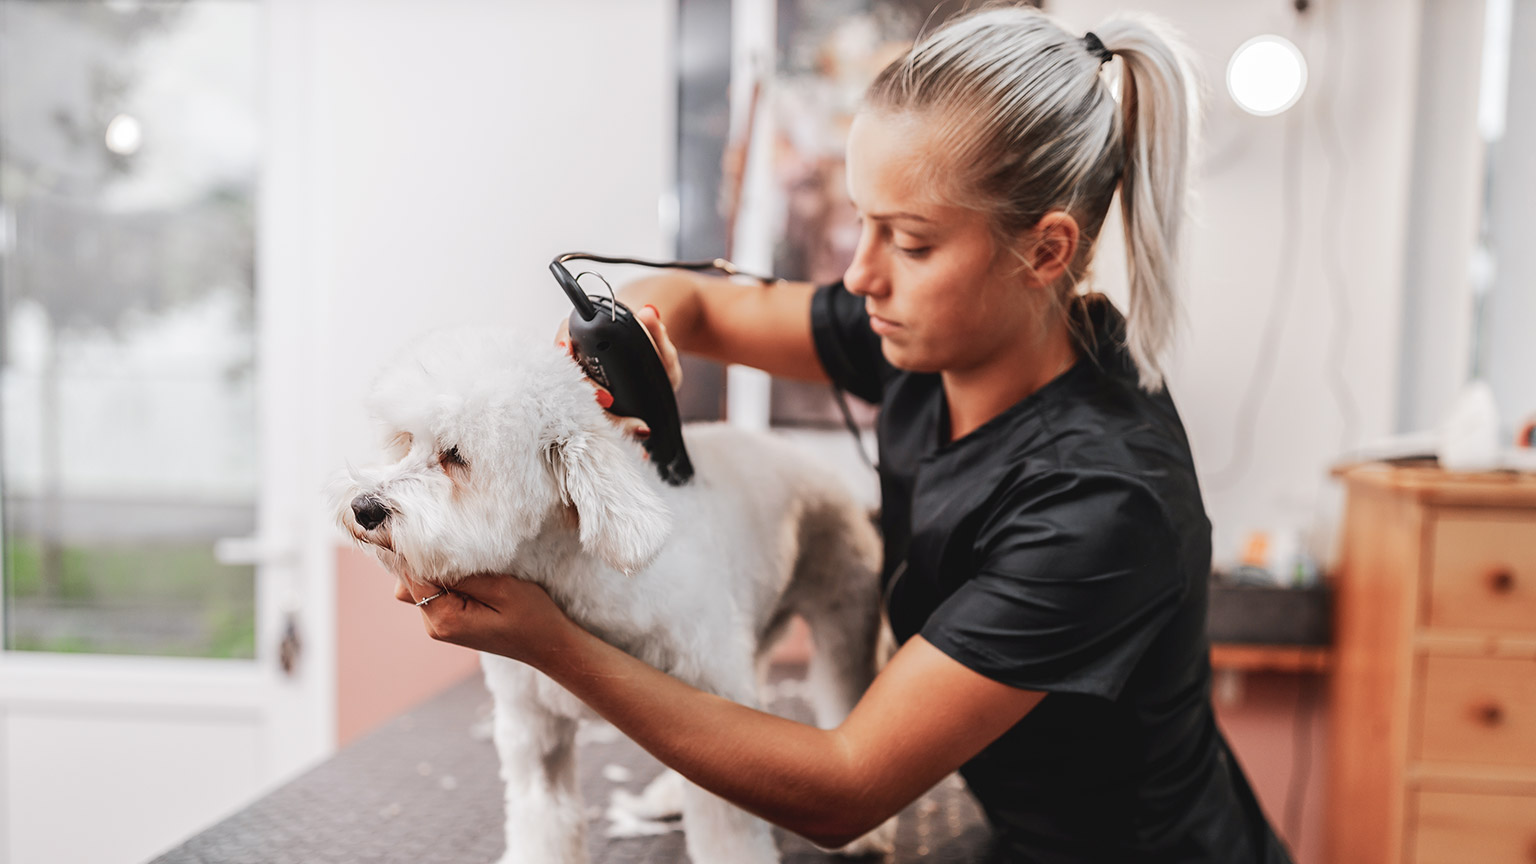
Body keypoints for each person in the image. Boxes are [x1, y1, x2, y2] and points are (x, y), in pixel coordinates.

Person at [396, 6, 1294, 862]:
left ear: (1046, 252)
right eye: (862, 222)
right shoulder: (936, 335)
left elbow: (845, 789)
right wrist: (623, 350)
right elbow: (699, 303)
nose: (860, 275)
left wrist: (550, 643)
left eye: (908, 241)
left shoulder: (1099, 502)